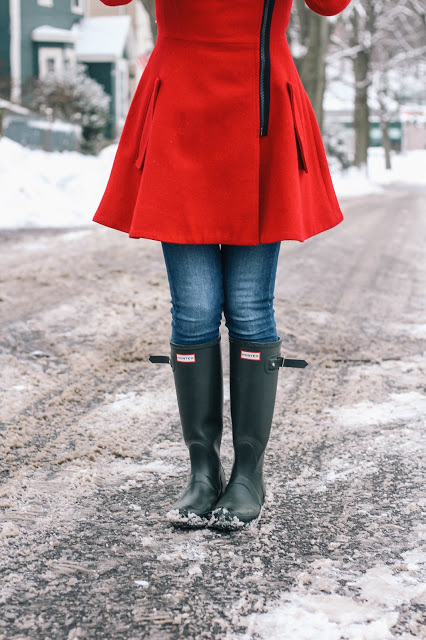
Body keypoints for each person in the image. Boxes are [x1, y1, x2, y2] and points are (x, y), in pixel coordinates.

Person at [93, 0, 352, 530]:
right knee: (194, 309)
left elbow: (330, 6)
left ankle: (249, 473)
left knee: (250, 308)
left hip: (260, 109)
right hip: (179, 110)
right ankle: (203, 470)